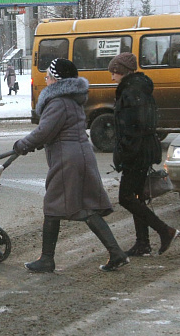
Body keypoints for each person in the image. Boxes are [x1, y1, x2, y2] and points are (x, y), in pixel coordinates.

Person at [13, 58, 129, 273]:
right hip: (79, 155)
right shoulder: (72, 100)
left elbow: (44, 131)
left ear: (56, 79)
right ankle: (116, 253)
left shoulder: (58, 102)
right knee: (85, 206)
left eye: (48, 76)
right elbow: (58, 131)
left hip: (67, 159)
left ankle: (47, 259)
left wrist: (23, 144)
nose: (46, 80)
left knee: (54, 206)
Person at [108, 52, 179, 257]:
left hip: (136, 153)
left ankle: (165, 231)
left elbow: (131, 128)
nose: (112, 77)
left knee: (126, 198)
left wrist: (124, 155)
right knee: (137, 197)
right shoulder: (140, 88)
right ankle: (142, 243)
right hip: (144, 149)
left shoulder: (130, 92)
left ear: (120, 71)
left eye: (113, 72)